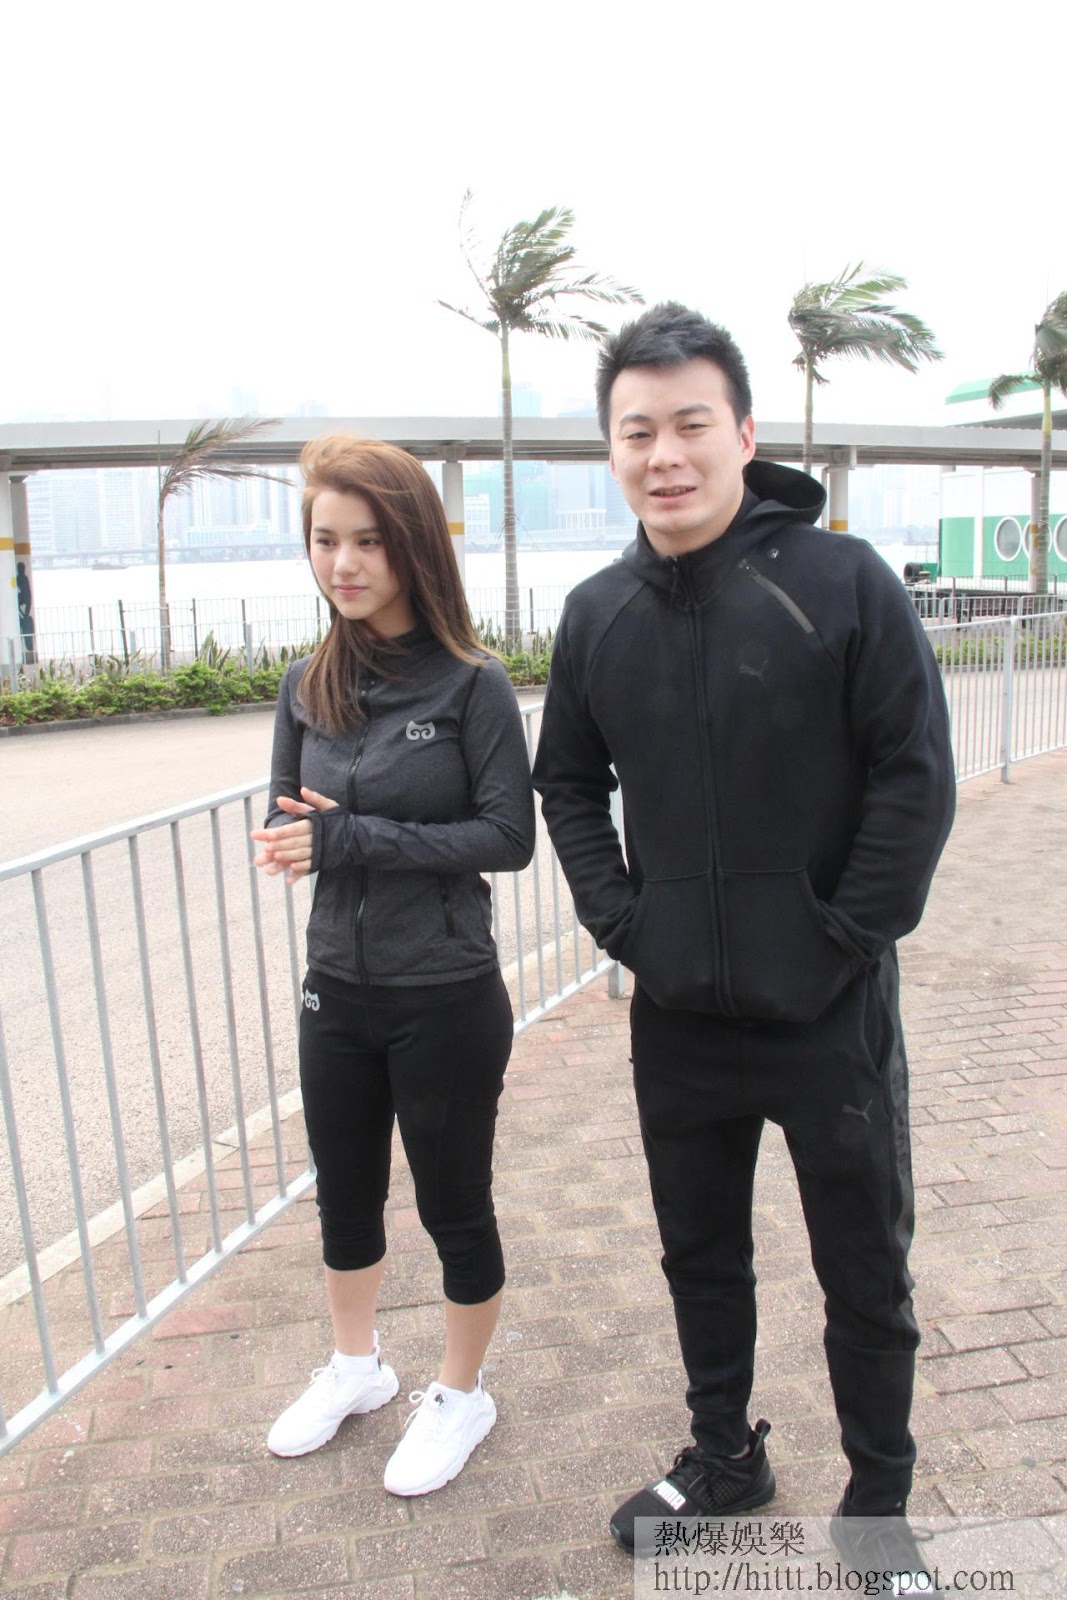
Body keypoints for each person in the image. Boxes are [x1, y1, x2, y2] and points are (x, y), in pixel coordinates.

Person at [532, 304, 956, 1580]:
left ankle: (875, 1507)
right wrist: (625, 924)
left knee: (864, 1271)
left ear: (742, 433)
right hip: (680, 1017)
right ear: (612, 448)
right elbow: (566, 783)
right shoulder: (596, 613)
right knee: (698, 1255)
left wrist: (842, 934)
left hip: (828, 1009)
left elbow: (912, 775)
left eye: (688, 424)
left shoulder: (842, 581)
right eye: (636, 431)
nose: (663, 454)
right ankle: (723, 1454)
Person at [251, 434, 535, 1497]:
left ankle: (461, 1393)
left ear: (413, 545)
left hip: (446, 993)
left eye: (368, 540)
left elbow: (507, 837)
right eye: (325, 540)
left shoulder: (471, 685)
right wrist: (301, 839)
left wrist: (349, 836)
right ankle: (356, 1368)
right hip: (335, 985)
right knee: (344, 1197)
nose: (344, 563)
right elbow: (290, 819)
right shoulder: (304, 683)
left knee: (454, 1204)